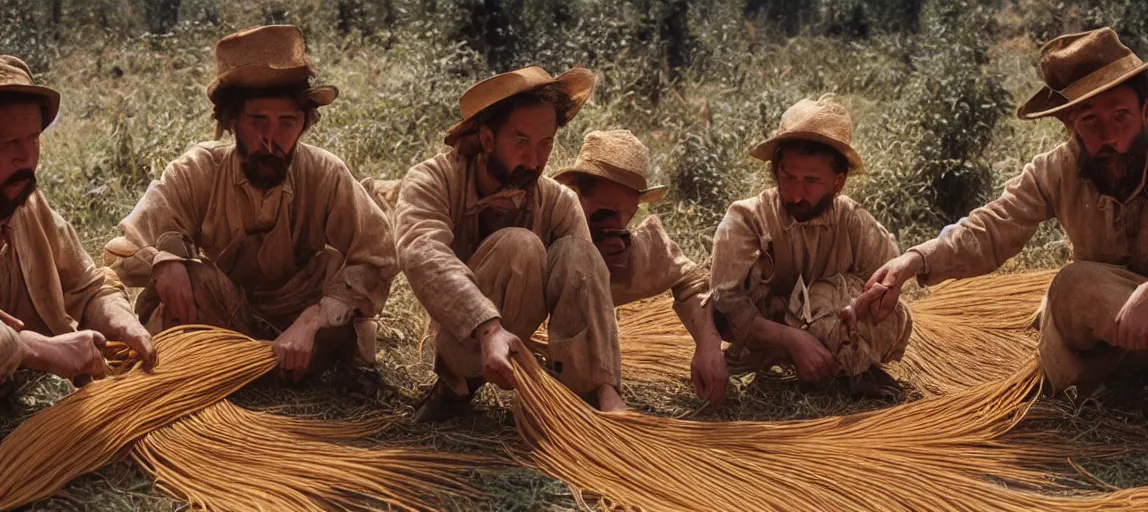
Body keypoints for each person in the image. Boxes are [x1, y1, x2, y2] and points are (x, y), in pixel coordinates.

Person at [856, 28, 1148, 412]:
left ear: (1147, 109)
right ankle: (1123, 378)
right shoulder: (1058, 169)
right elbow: (992, 228)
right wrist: (913, 261)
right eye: (1089, 121)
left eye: (1121, 116)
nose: (1108, 137)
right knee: (1075, 285)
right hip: (1113, 327)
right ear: (1068, 123)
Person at [104, 26, 396, 381]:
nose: (272, 140)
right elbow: (120, 252)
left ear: (304, 123)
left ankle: (295, 362)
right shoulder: (195, 170)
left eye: (288, 122)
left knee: (339, 282)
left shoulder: (326, 173)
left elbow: (380, 253)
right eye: (258, 121)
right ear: (230, 121)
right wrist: (162, 262)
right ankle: (230, 365)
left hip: (302, 318)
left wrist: (315, 317)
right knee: (189, 276)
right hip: (223, 315)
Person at [396, 67, 625, 421]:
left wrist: (607, 388)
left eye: (545, 144)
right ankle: (454, 389)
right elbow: (422, 252)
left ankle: (590, 399)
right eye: (521, 143)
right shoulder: (433, 180)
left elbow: (586, 286)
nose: (534, 162)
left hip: (518, 339)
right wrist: (488, 328)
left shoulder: (559, 202)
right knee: (521, 245)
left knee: (580, 251)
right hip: (462, 341)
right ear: (487, 140)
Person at [709, 95, 911, 390]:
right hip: (762, 344)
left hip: (838, 339)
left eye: (811, 181)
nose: (796, 193)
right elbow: (724, 304)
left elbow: (890, 281)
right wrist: (792, 339)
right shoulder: (746, 219)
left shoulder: (853, 221)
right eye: (788, 176)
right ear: (776, 170)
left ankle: (847, 371)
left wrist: (855, 310)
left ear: (837, 182)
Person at [0, 55, 155, 393]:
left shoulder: (28, 205)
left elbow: (88, 284)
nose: (25, 157)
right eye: (8, 142)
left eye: (33, 139)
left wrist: (119, 319)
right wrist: (32, 348)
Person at [551, 129, 729, 403]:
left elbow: (690, 282)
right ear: (576, 195)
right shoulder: (546, 227)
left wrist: (708, 346)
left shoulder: (638, 251)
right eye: (605, 212)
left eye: (627, 214)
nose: (616, 225)